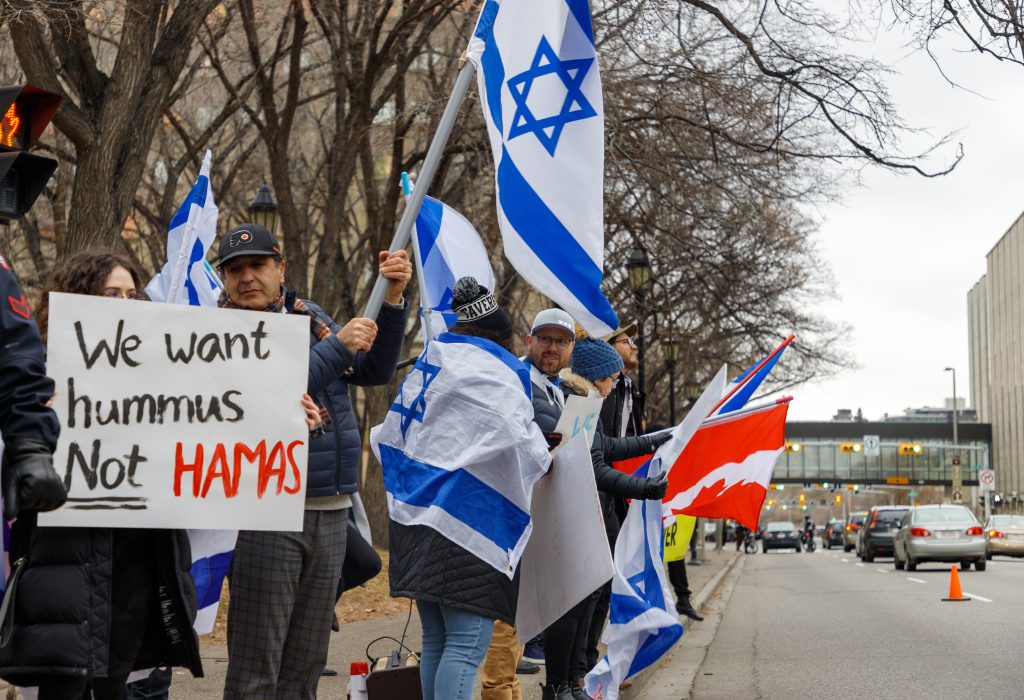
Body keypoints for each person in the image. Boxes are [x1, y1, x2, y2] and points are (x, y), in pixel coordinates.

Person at [0, 250, 204, 698]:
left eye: (133, 295)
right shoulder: (35, 374)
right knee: (63, 684)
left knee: (115, 682)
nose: (125, 304)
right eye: (111, 293)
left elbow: (222, 423)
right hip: (62, 554)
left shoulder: (168, 374)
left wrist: (286, 416)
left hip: (136, 557)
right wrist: (37, 424)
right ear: (78, 298)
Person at [219, 224, 410, 698]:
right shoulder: (218, 334)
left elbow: (373, 371)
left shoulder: (309, 316)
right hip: (266, 515)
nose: (247, 277)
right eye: (235, 269)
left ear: (280, 268)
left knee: (304, 666)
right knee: (257, 666)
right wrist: (338, 344)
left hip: (330, 510)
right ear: (223, 280)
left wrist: (391, 303)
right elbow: (277, 387)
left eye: (257, 265)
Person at [387, 277, 542, 700]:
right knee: (467, 643)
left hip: (416, 516)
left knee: (438, 639)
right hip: (468, 524)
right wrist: (546, 454)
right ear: (498, 337)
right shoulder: (494, 371)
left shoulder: (431, 365)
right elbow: (520, 441)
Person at [527, 316, 668, 700]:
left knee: (585, 599)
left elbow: (606, 449)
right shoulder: (580, 403)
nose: (615, 384)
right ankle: (559, 684)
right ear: (596, 376)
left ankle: (572, 680)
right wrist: (645, 489)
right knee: (570, 605)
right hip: (567, 516)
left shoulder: (586, 400)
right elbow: (596, 467)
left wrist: (655, 439)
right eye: (612, 378)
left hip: (580, 513)